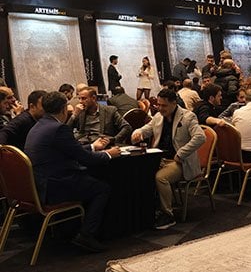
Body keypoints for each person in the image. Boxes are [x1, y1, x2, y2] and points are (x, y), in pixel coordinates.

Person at [25, 91, 121, 252]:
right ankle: (86, 235)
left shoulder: (39, 126)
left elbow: (70, 150)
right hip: (55, 186)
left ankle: (71, 230)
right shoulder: (59, 128)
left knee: (90, 181)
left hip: (39, 185)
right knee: (102, 188)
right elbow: (85, 159)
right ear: (64, 109)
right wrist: (108, 154)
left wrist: (93, 146)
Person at [131, 88, 206, 229]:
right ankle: (150, 209)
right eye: (158, 105)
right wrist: (138, 132)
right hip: (160, 159)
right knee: (140, 172)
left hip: (181, 162)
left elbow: (200, 137)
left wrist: (181, 153)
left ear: (174, 103)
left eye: (164, 105)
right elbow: (146, 129)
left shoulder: (188, 117)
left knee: (161, 178)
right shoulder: (158, 117)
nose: (160, 108)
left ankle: (168, 215)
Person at [67, 87, 132, 144]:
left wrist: (114, 140)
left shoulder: (110, 111)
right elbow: (65, 131)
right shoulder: (80, 112)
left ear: (93, 98)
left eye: (83, 98)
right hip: (83, 143)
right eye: (79, 98)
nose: (80, 101)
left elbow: (127, 127)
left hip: (101, 143)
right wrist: (74, 115)